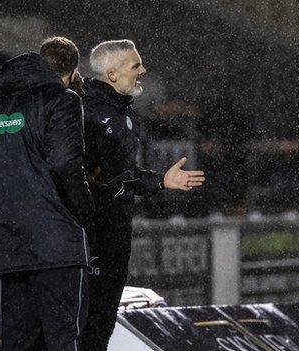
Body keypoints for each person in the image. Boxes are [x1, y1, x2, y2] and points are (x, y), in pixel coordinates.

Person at [79, 39, 205, 350]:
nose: (143, 71)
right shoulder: (83, 113)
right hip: (89, 234)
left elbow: (123, 176)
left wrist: (161, 181)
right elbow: (92, 177)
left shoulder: (128, 115)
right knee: (85, 324)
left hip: (116, 231)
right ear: (111, 74)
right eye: (135, 66)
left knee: (101, 325)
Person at [0, 37, 94, 350]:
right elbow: (65, 164)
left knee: (17, 343)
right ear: (72, 71)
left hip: (13, 247)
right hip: (57, 248)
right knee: (64, 340)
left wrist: (11, 214)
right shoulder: (63, 98)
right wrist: (84, 213)